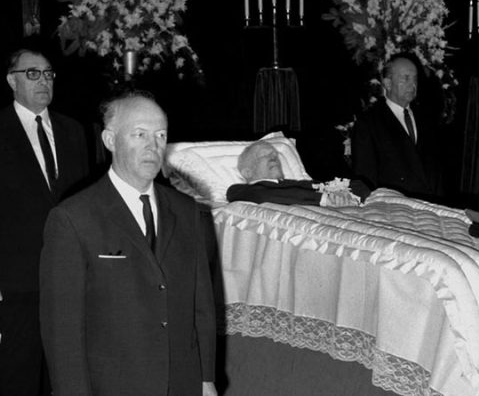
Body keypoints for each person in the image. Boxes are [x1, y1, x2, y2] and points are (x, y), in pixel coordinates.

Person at [39, 91, 217, 395]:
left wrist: (206, 378)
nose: (153, 145)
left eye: (161, 135)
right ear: (110, 140)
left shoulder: (187, 210)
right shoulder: (73, 218)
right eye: (140, 134)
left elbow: (202, 305)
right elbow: (62, 330)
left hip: (182, 382)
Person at [0, 47, 89, 395]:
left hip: (69, 276)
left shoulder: (73, 131)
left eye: (48, 73)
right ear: (12, 81)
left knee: (66, 374)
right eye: (32, 74)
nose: (43, 81)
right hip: (17, 280)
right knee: (17, 375)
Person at [352, 54, 443, 199]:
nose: (412, 85)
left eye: (415, 79)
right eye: (405, 78)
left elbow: (436, 172)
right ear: (387, 83)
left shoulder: (426, 119)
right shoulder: (369, 123)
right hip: (394, 207)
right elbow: (365, 180)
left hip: (431, 205)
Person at [227, 140, 370, 206]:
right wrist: (325, 199)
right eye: (264, 156)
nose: (273, 158)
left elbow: (359, 185)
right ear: (247, 172)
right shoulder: (239, 190)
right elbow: (263, 195)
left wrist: (349, 196)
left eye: (275, 155)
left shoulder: (302, 184)